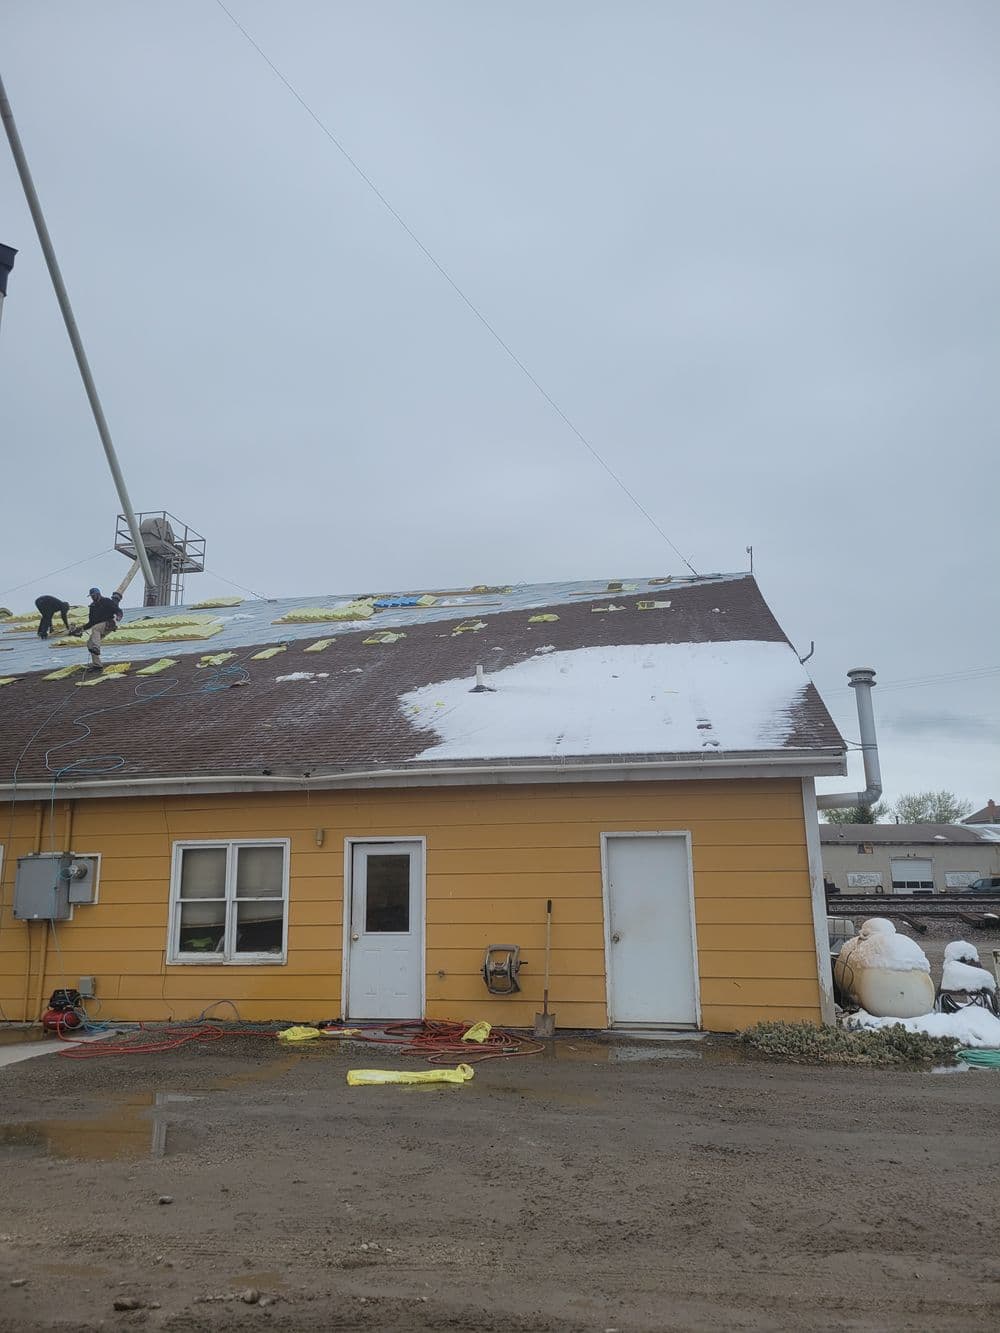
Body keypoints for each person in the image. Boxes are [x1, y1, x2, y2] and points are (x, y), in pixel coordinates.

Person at [71, 587, 121, 672]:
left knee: (95, 629)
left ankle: (96, 648)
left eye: (94, 596)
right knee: (90, 644)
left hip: (109, 623)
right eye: (91, 596)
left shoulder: (107, 601)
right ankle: (97, 665)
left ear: (98, 594)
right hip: (100, 627)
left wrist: (119, 616)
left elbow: (118, 610)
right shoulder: (93, 607)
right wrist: (80, 629)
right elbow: (91, 622)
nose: (93, 597)